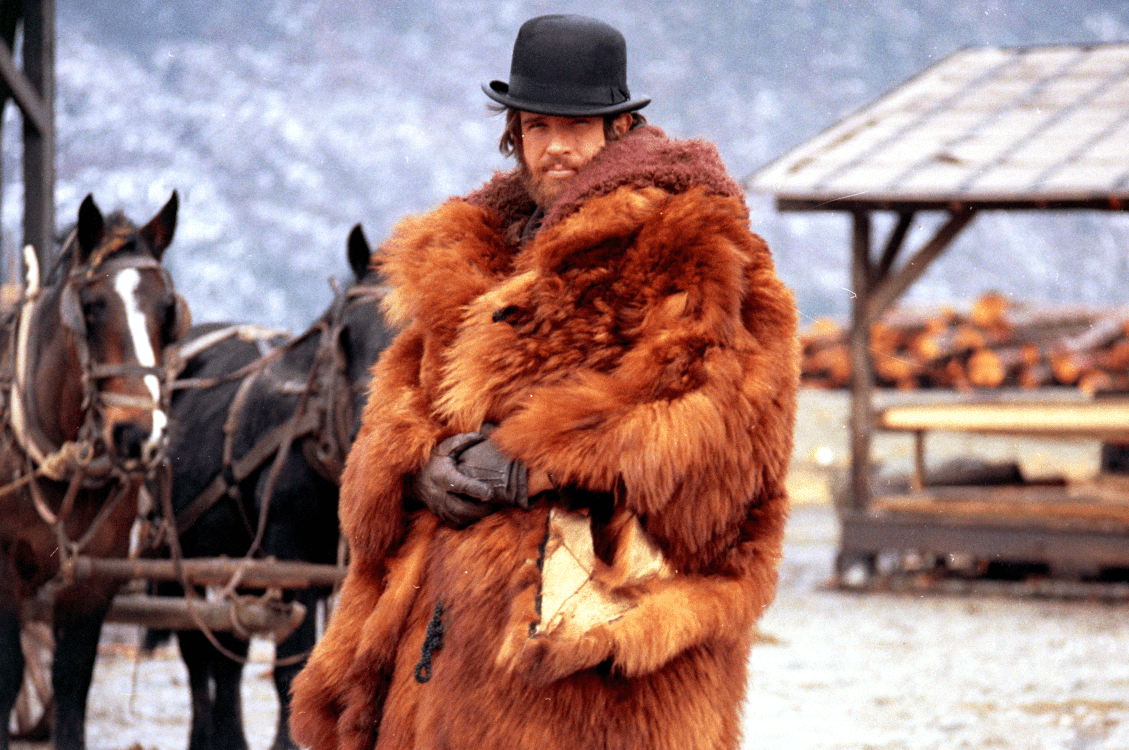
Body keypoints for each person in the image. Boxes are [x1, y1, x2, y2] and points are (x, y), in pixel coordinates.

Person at [289, 14, 799, 750]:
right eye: (536, 126)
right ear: (513, 133)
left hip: (597, 671)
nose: (556, 146)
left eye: (578, 125)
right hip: (439, 657)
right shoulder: (471, 252)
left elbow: (732, 431)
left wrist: (539, 461)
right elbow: (395, 409)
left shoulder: (692, 240)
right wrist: (420, 465)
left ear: (620, 127)